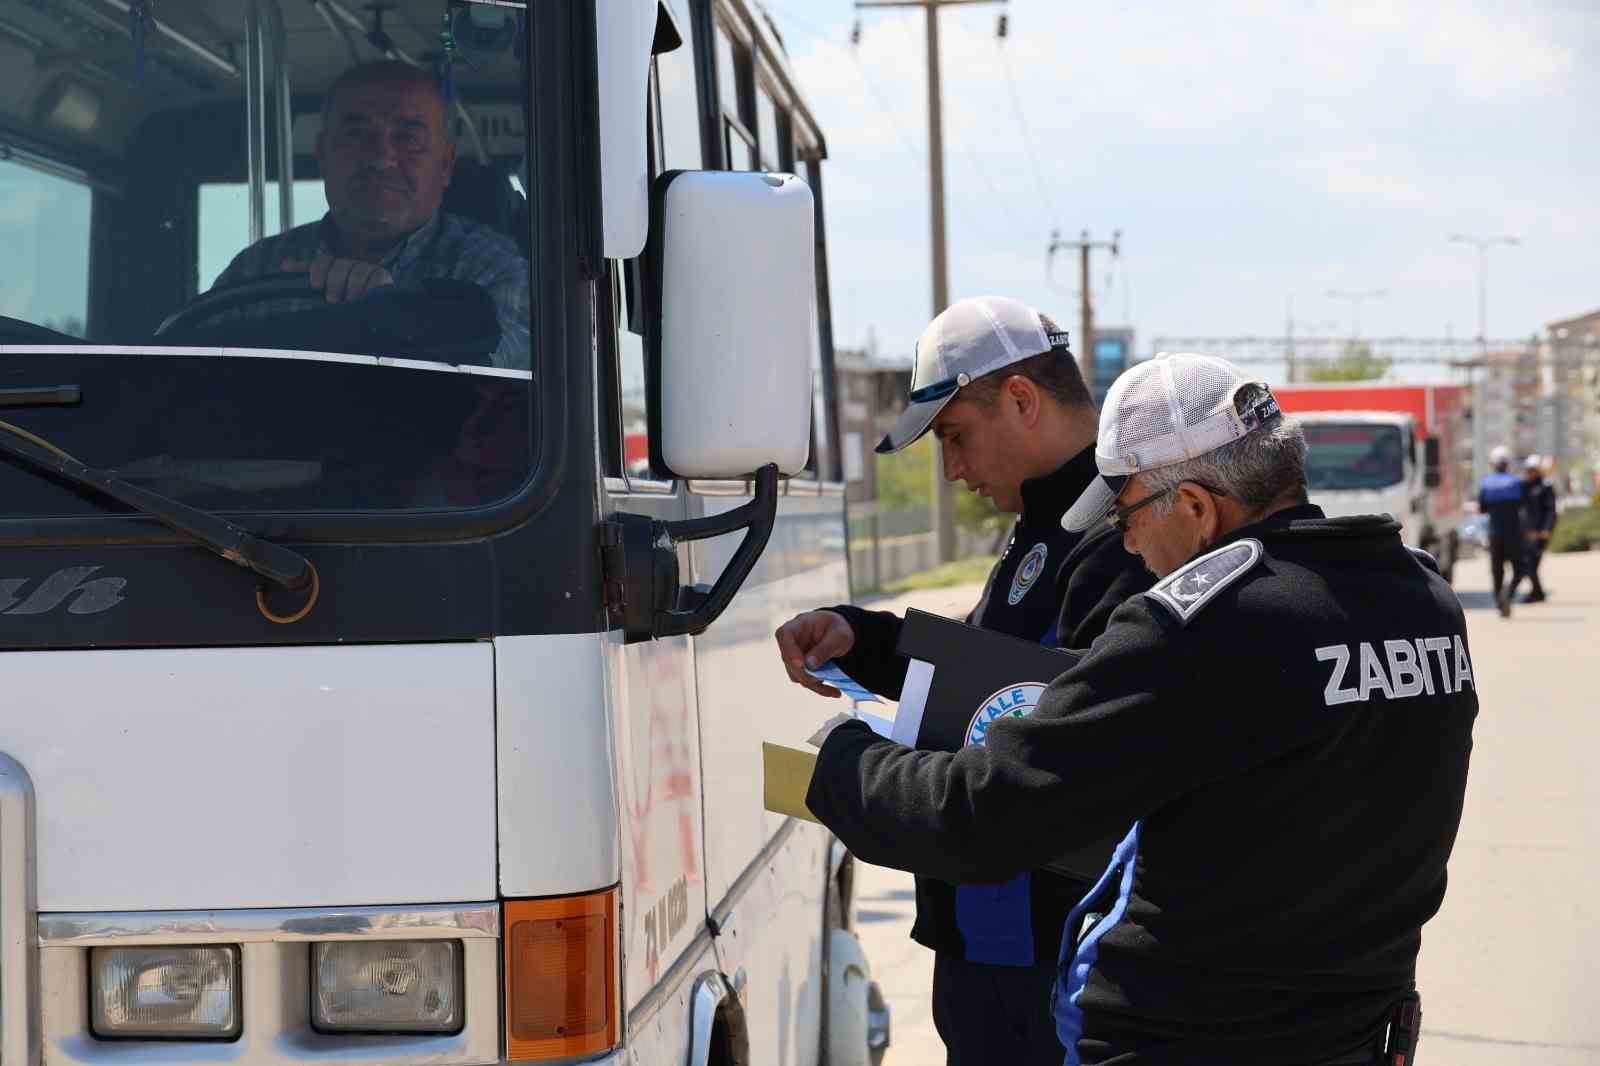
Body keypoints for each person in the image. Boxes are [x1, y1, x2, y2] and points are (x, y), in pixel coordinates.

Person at [803, 353, 1478, 1066]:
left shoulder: (1202, 624)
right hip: (1354, 1037)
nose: (1123, 541)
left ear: (1194, 506)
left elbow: (985, 815)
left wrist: (847, 760)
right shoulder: (1420, 599)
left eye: (1124, 512)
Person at [774, 296, 1152, 1066]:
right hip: (994, 941)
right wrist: (867, 639)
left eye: (954, 436)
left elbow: (1059, 752)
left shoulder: (1121, 538)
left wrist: (858, 768)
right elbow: (993, 667)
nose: (951, 471)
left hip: (1052, 955)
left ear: (1021, 399)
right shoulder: (1051, 524)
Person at [212, 61, 530, 369]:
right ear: (322, 155)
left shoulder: (494, 269)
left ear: (446, 164)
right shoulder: (255, 270)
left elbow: (499, 373)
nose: (381, 159)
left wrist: (399, 315)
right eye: (356, 134)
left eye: (408, 138)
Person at [1477, 445, 1525, 617]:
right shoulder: (1517, 483)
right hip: (1514, 533)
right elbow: (1524, 506)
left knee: (1497, 570)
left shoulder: (1486, 484)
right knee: (1520, 569)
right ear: (1508, 464)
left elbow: (1482, 509)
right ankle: (1509, 593)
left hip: (1495, 533)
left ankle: (1499, 601)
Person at [1509, 453, 1557, 603]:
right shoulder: (1523, 487)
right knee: (1529, 566)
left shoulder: (1545, 487)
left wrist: (1546, 530)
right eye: (1527, 470)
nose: (1529, 473)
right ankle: (1538, 593)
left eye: (1532, 470)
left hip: (1539, 534)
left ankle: (1536, 593)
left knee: (1531, 566)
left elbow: (1550, 511)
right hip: (1526, 533)